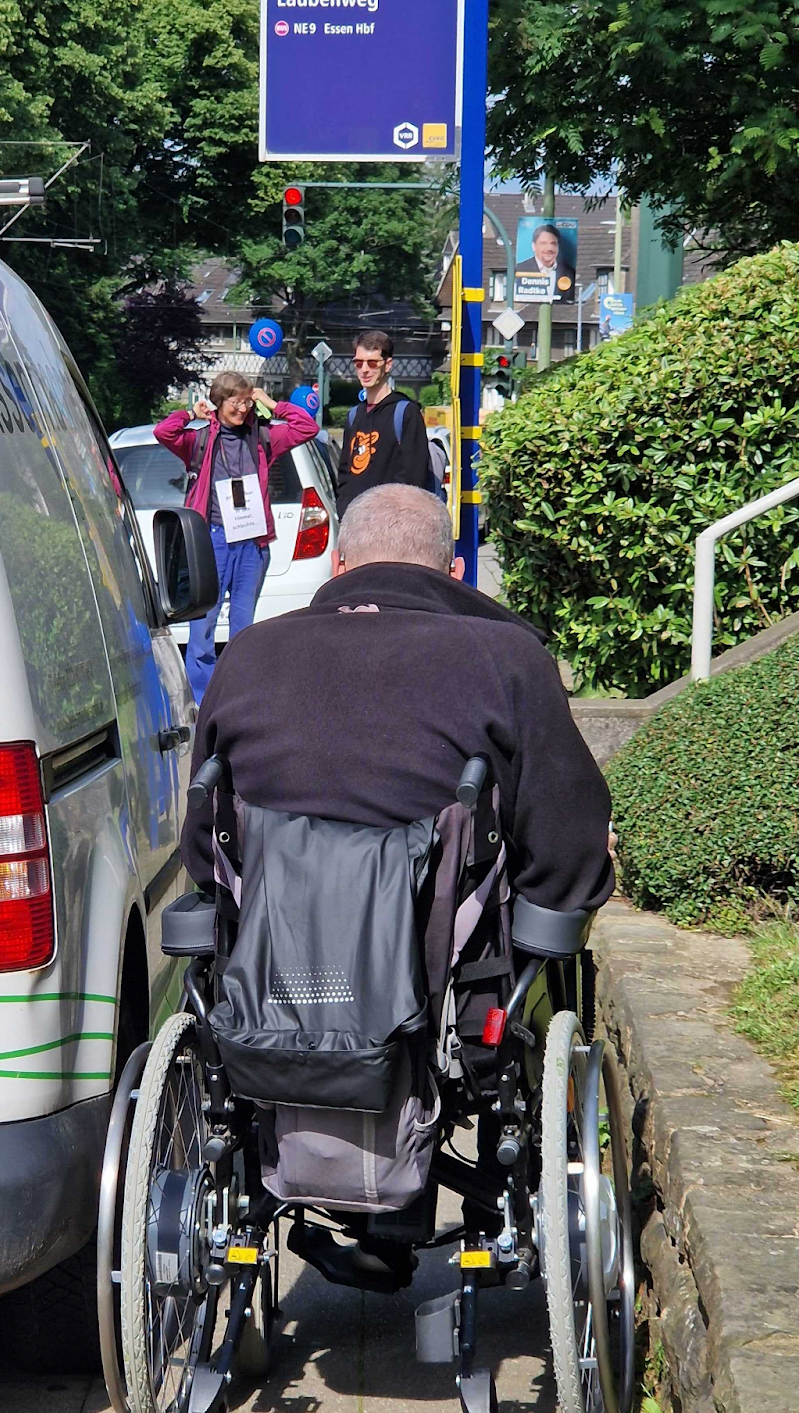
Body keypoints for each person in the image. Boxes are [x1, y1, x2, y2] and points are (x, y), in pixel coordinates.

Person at [183, 482, 613, 1281]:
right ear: (455, 570)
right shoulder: (509, 657)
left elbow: (207, 850)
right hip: (441, 988)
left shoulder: (249, 657)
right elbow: (566, 841)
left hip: (277, 976)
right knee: (534, 932)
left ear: (337, 564)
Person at [154, 372, 317, 701]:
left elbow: (306, 427)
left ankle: (240, 696)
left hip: (251, 543)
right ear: (219, 402)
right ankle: (204, 700)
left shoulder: (262, 436)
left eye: (246, 401)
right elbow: (164, 432)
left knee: (244, 624)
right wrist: (189, 414)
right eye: (235, 401)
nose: (242, 408)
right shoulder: (200, 440)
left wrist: (273, 404)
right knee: (204, 625)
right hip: (212, 541)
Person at [335, 331, 431, 516]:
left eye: (372, 363)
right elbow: (345, 475)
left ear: (387, 365)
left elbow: (413, 476)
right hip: (355, 525)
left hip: (390, 527)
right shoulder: (354, 415)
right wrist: (344, 512)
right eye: (358, 363)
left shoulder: (405, 412)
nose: (364, 370)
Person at [517, 222, 575, 302]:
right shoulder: (520, 270)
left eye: (553, 244)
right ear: (534, 246)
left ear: (558, 247)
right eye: (543, 243)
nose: (549, 248)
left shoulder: (569, 273)